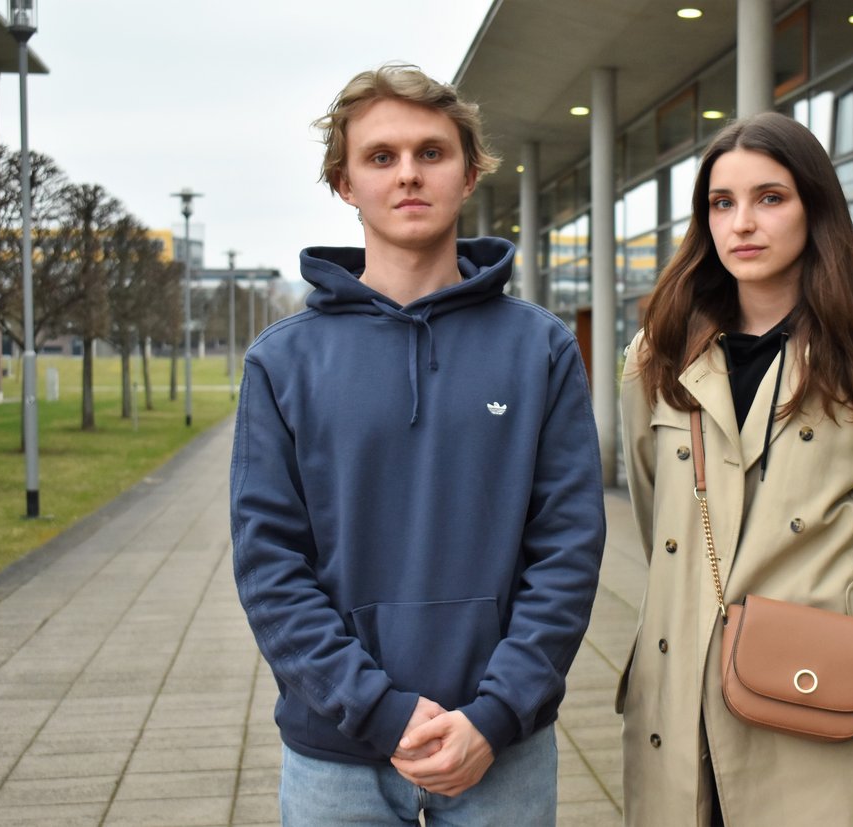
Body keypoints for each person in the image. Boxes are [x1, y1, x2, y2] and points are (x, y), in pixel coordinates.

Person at [230, 63, 605, 826]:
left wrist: (495, 713)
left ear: (469, 174)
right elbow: (271, 565)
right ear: (345, 182)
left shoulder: (542, 350)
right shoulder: (282, 361)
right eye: (381, 156)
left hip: (501, 751)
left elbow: (567, 548)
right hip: (335, 758)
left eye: (431, 152)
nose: (408, 174)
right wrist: (379, 710)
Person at [616, 112, 853, 826]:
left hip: (827, 694)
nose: (742, 223)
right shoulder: (655, 355)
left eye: (770, 197)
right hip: (686, 686)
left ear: (814, 208)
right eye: (721, 203)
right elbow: (656, 518)